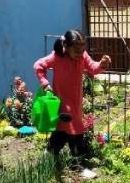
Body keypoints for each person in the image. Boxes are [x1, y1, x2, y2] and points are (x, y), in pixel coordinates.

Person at [33, 29, 111, 165]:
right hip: (61, 102)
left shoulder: (83, 56)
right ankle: (78, 161)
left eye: (82, 50)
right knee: (72, 130)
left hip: (76, 102)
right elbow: (38, 66)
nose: (80, 54)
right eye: (76, 51)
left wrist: (102, 64)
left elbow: (93, 68)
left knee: (63, 130)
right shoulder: (57, 57)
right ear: (66, 47)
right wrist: (45, 83)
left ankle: (51, 154)